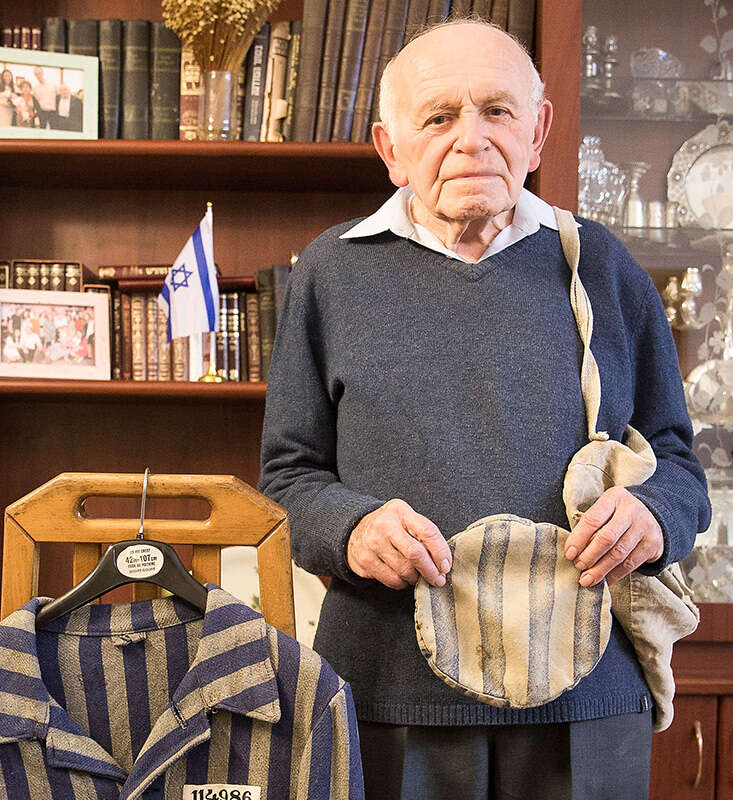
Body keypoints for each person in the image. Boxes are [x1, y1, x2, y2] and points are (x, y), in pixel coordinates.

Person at [258, 20, 710, 800]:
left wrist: (653, 515)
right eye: (438, 117)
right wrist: (351, 528)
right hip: (385, 691)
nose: (471, 139)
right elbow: (287, 482)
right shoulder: (330, 272)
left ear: (535, 132)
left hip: (587, 696)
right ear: (390, 148)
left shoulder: (603, 266)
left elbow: (678, 468)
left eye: (497, 111)